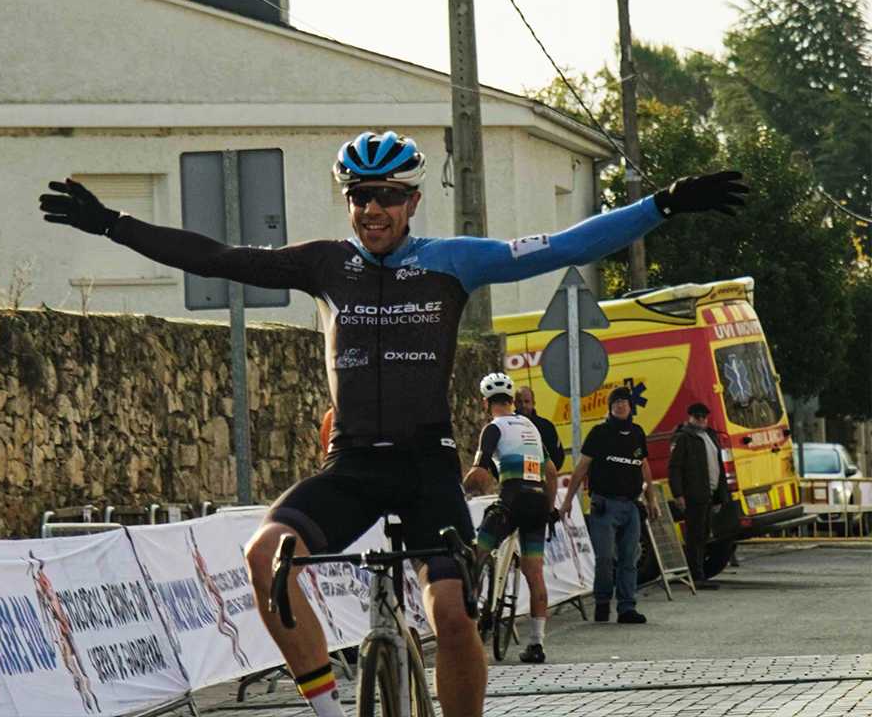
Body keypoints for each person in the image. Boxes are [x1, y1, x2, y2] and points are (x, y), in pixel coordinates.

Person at [39, 130, 746, 717]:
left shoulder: (451, 262)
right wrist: (112, 224)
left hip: (424, 470)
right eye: (358, 197)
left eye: (385, 197)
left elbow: (562, 246)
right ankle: (324, 708)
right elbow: (217, 257)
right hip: (350, 466)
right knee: (264, 558)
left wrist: (663, 204)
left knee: (451, 613)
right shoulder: (325, 265)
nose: (371, 210)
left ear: (410, 200)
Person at [462, 373, 557, 663]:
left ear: (485, 403)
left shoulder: (493, 428)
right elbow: (551, 472)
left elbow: (480, 474)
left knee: (475, 554)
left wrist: (459, 491)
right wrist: (549, 510)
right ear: (513, 400)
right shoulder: (531, 426)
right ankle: (537, 644)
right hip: (539, 500)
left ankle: (471, 623)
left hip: (512, 499)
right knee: (535, 572)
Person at [561, 386, 661, 624]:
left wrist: (652, 498)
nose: (620, 405)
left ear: (630, 406)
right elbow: (581, 468)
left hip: (630, 505)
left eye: (624, 402)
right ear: (610, 407)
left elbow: (644, 466)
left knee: (629, 558)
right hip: (605, 505)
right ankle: (603, 602)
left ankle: (627, 607)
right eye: (615, 402)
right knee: (605, 558)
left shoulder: (637, 433)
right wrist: (567, 502)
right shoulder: (599, 433)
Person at [668, 402, 728, 589]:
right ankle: (696, 576)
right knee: (695, 536)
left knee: (703, 535)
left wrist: (720, 496)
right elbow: (675, 468)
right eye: (697, 416)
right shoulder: (684, 438)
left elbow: (718, 466)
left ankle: (699, 573)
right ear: (690, 417)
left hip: (708, 494)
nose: (701, 419)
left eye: (703, 416)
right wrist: (678, 494)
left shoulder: (709, 435)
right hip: (693, 494)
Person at [515, 385, 565, 472]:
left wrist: (547, 474)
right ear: (514, 403)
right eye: (520, 402)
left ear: (533, 403)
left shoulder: (546, 426)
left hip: (542, 480)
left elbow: (558, 456)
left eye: (527, 401)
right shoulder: (508, 426)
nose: (523, 405)